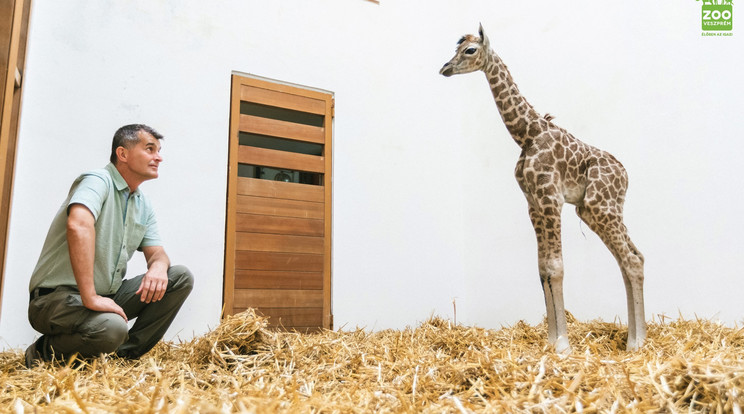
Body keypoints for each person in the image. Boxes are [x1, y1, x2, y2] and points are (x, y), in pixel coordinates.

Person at [25, 124, 194, 367]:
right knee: (112, 328)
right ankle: (42, 353)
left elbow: (157, 253)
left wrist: (157, 267)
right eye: (150, 149)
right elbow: (78, 226)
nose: (159, 157)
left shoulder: (142, 203)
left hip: (105, 296)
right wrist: (90, 296)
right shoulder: (97, 181)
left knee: (179, 277)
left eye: (158, 150)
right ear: (122, 154)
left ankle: (119, 359)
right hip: (54, 299)